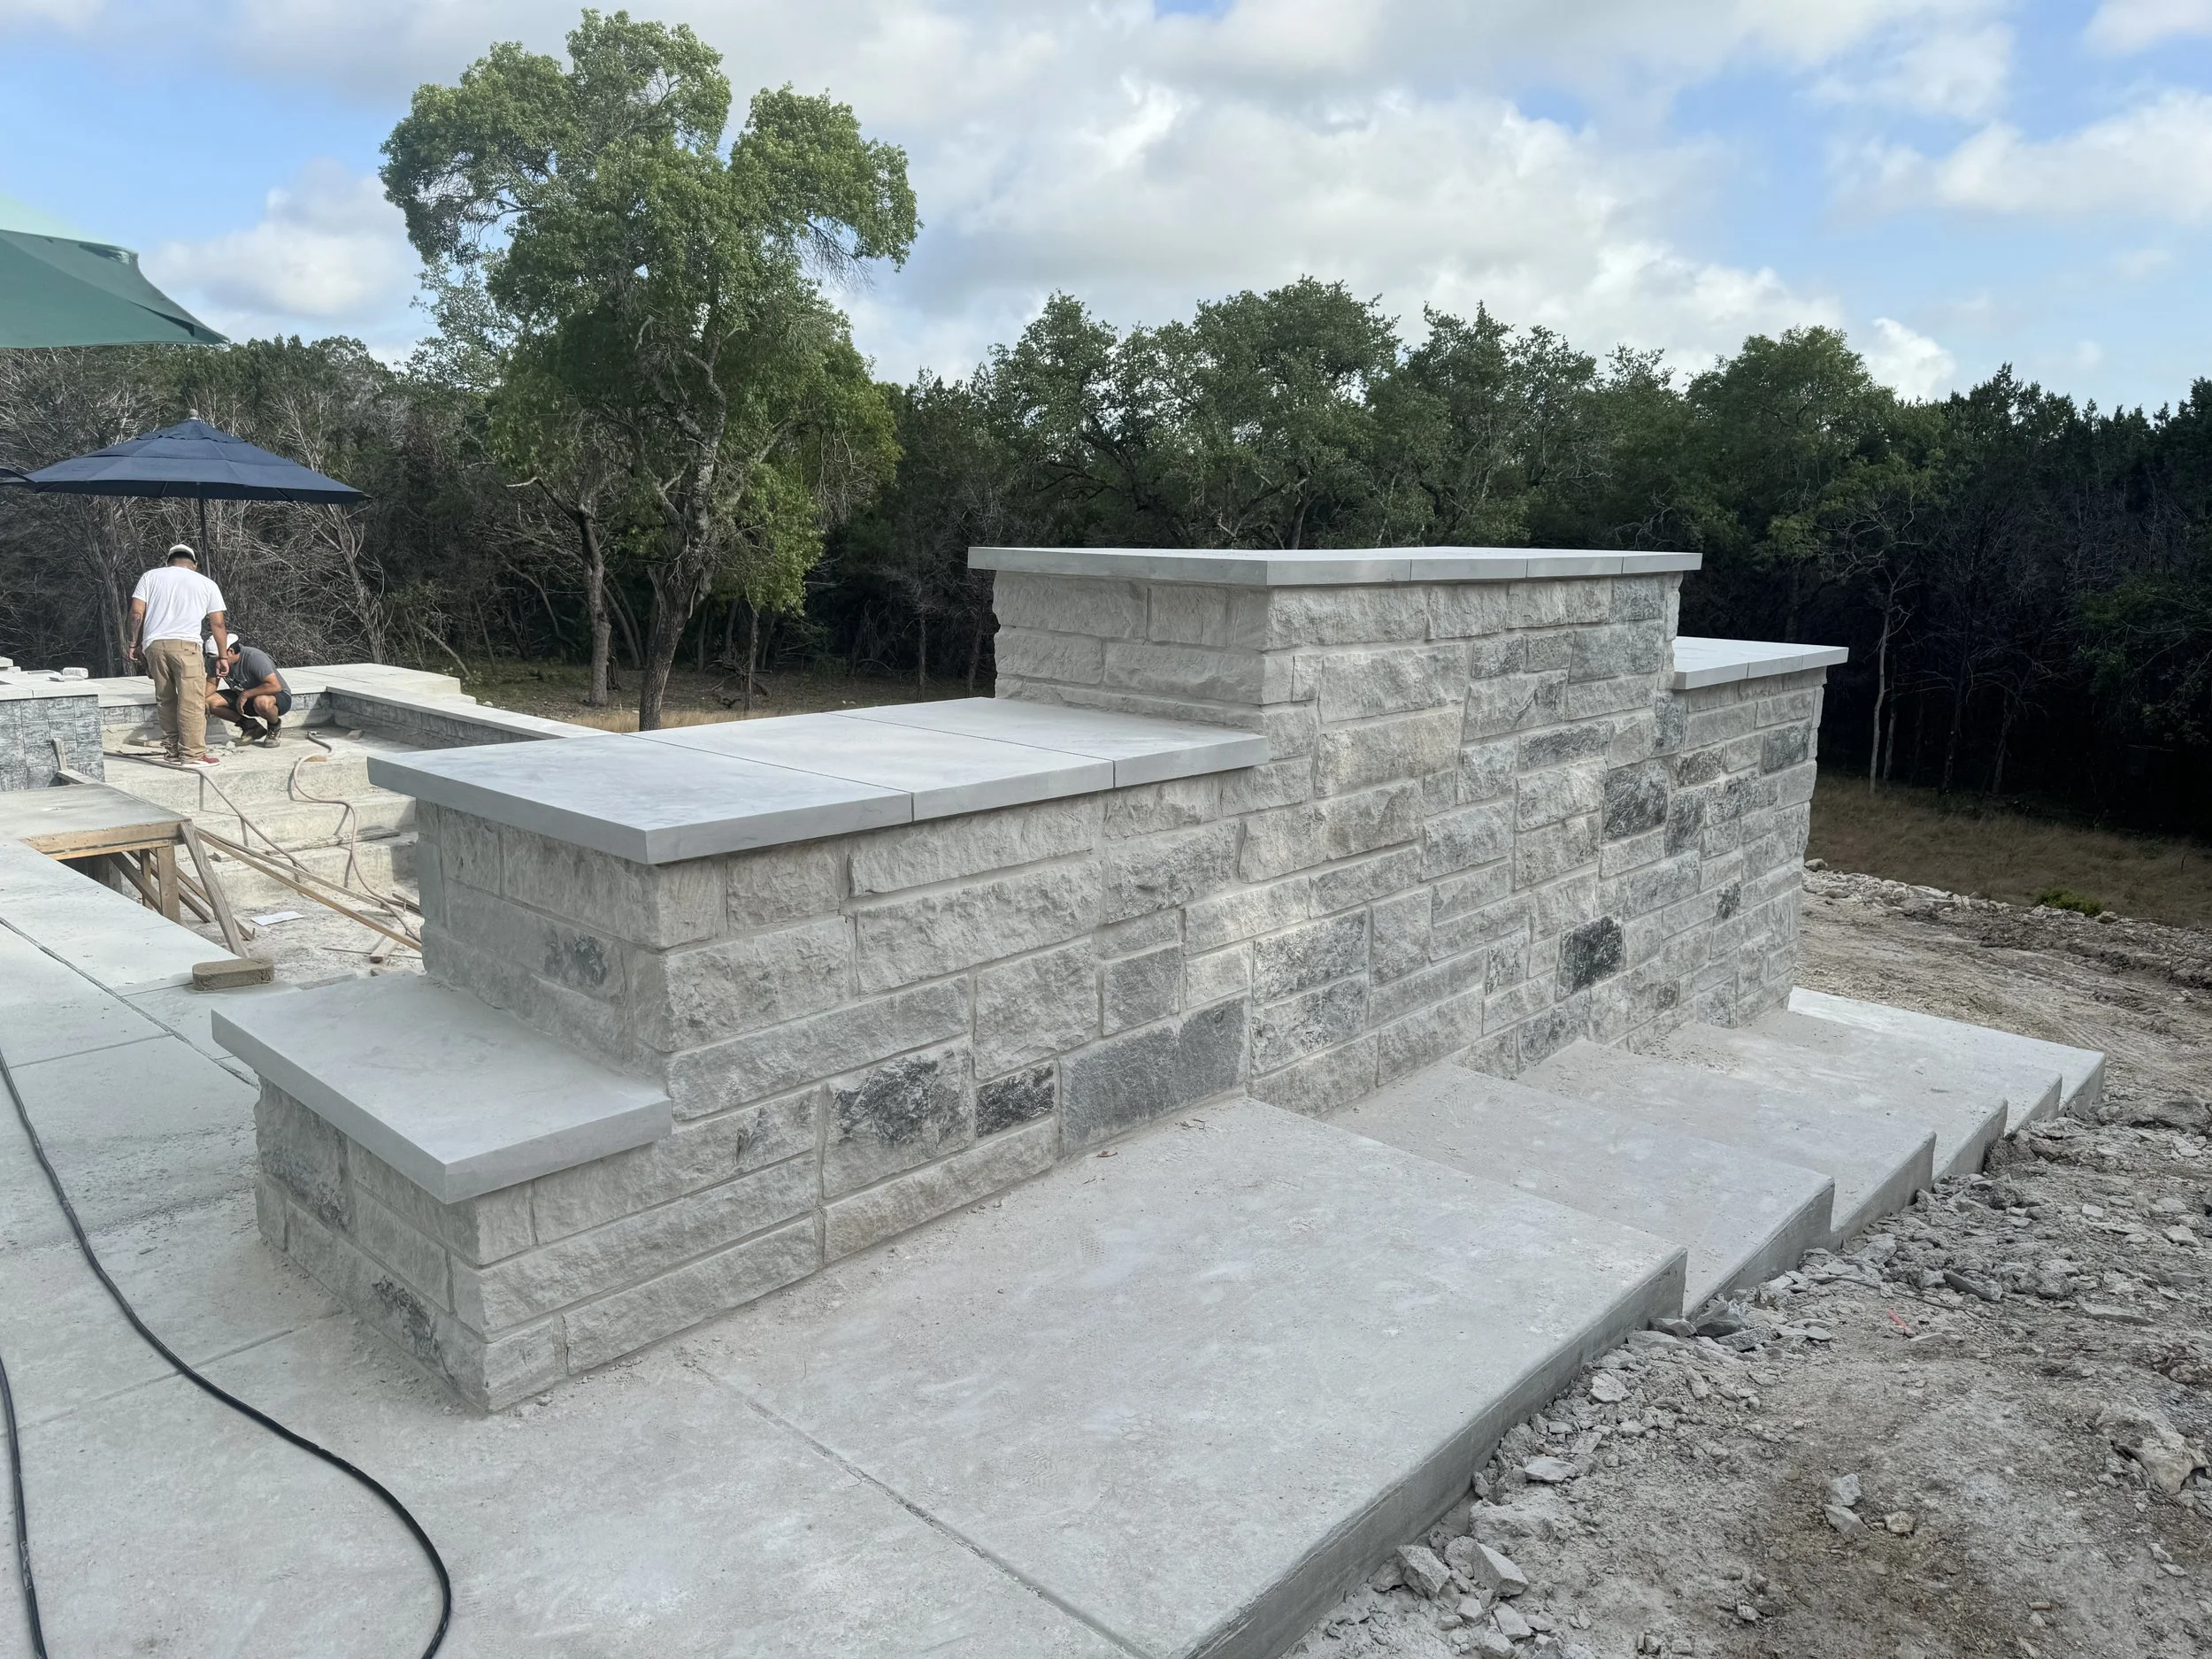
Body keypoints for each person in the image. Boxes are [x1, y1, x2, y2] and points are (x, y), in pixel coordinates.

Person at [126, 543, 227, 764]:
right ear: (195, 565)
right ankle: (193, 754)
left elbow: (136, 614)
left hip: (154, 646)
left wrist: (134, 643)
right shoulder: (206, 583)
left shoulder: (150, 577)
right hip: (187, 647)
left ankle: (172, 751)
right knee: (192, 702)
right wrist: (223, 656)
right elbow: (218, 625)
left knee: (166, 700)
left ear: (168, 562)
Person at [205, 633, 292, 746]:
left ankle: (274, 726)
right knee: (208, 702)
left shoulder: (254, 657)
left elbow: (275, 686)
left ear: (230, 651)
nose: (216, 662)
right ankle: (250, 726)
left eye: (218, 658)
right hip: (243, 698)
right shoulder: (214, 661)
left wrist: (246, 694)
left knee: (261, 702)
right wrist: (198, 700)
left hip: (277, 697)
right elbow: (211, 683)